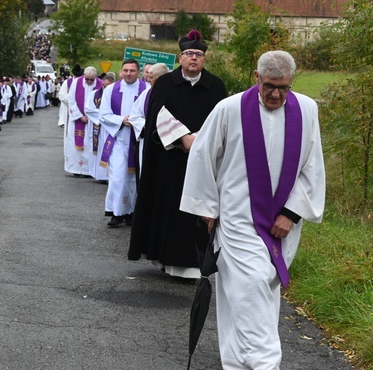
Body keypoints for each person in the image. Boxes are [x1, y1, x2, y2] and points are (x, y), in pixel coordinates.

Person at [180, 50, 325, 369]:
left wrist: (292, 212)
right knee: (252, 287)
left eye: (283, 88)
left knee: (251, 296)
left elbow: (312, 167)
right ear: (256, 78)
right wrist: (207, 207)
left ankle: (235, 363)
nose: (276, 94)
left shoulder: (307, 110)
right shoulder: (229, 109)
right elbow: (202, 154)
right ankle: (265, 364)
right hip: (237, 221)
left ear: (292, 82)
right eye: (269, 86)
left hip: (282, 225)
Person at [128, 30, 226, 278]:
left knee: (195, 210)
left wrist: (198, 140)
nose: (194, 58)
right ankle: (164, 258)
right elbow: (157, 117)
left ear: (204, 59)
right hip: (168, 160)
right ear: (180, 57)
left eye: (199, 54)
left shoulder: (215, 87)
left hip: (202, 160)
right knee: (167, 208)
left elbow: (220, 122)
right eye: (189, 53)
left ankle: (194, 266)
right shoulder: (164, 84)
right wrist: (182, 138)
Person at [99, 59, 147, 226]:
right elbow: (103, 114)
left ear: (138, 72)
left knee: (135, 178)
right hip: (118, 140)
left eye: (132, 70)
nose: (128, 73)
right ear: (121, 71)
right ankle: (117, 213)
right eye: (125, 70)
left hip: (138, 140)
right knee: (118, 177)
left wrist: (136, 122)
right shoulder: (111, 90)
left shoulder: (146, 89)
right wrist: (121, 120)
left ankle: (133, 213)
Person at [130, 62, 170, 172]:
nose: (149, 80)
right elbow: (134, 115)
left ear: (162, 77)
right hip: (149, 138)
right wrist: (146, 125)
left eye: (152, 78)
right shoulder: (146, 93)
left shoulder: (175, 93)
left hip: (169, 141)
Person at [64, 66, 101, 177]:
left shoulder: (100, 85)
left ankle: (89, 170)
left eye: (91, 79)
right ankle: (75, 168)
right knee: (75, 144)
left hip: (93, 122)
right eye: (87, 79)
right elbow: (71, 100)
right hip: (78, 120)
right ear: (84, 76)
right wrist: (80, 116)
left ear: (95, 77)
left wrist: (92, 117)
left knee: (90, 144)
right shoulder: (76, 82)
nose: (89, 81)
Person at [86, 72, 116, 182]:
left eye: (109, 86)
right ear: (102, 84)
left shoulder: (116, 95)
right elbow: (89, 109)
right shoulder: (94, 94)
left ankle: (109, 176)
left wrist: (109, 117)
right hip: (98, 126)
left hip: (111, 127)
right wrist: (104, 115)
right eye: (104, 86)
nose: (106, 88)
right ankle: (100, 175)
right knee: (99, 150)